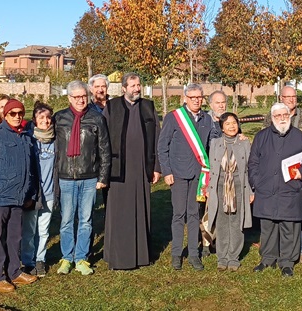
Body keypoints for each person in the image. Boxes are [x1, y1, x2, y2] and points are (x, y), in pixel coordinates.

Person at [0, 99, 38, 293]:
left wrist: (31, 194)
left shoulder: (27, 136)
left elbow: (32, 169)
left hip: (19, 197)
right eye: (13, 113)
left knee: (15, 237)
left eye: (21, 113)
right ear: (5, 115)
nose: (18, 117)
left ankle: (14, 272)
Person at [249, 102, 302, 277]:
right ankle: (267, 259)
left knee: (289, 227)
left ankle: (287, 262)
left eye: (284, 115)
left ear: (290, 116)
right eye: (277, 116)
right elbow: (253, 162)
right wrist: (256, 181)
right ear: (272, 118)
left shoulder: (300, 137)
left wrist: (301, 173)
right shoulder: (261, 137)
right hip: (266, 189)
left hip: (290, 190)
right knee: (268, 226)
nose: (281, 118)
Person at [103, 72, 160, 270]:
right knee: (119, 212)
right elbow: (103, 140)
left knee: (140, 209)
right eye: (133, 85)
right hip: (119, 169)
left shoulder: (148, 106)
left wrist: (156, 167)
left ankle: (141, 255)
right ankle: (119, 257)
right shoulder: (111, 107)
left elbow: (157, 139)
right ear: (124, 88)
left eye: (139, 85)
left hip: (142, 168)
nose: (137, 88)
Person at [53, 80, 111, 276]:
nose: (80, 100)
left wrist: (102, 177)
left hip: (89, 178)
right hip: (66, 177)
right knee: (67, 220)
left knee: (86, 220)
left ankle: (81, 258)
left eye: (83, 96)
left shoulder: (96, 118)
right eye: (76, 97)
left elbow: (104, 149)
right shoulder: (59, 118)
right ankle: (67, 257)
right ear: (69, 98)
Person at [158, 83, 214, 271]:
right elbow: (162, 146)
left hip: (199, 175)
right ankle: (176, 254)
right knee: (178, 214)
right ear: (185, 98)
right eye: (193, 97)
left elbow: (214, 141)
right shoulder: (174, 118)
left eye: (200, 97)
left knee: (193, 214)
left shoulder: (207, 119)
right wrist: (167, 171)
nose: (197, 100)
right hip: (178, 173)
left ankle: (193, 254)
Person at [263, 85, 302, 262]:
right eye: (288, 97)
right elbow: (265, 138)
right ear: (280, 97)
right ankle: (275, 250)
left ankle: (301, 249)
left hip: (298, 173)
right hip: (277, 175)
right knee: (276, 215)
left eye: (294, 97)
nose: (292, 100)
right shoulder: (272, 115)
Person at [205, 113, 253, 271]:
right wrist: (209, 189)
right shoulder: (215, 143)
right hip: (219, 187)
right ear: (222, 127)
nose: (232, 126)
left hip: (239, 186)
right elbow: (212, 168)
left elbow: (249, 169)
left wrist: (251, 191)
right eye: (227, 124)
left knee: (237, 222)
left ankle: (233, 257)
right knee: (222, 223)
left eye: (234, 123)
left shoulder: (245, 143)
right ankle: (222, 257)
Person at [21, 101, 56, 277]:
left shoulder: (55, 141)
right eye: (41, 117)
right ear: (35, 120)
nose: (45, 120)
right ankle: (27, 261)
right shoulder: (28, 140)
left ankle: (40, 259)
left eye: (48, 117)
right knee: (29, 230)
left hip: (49, 192)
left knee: (44, 230)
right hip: (33, 194)